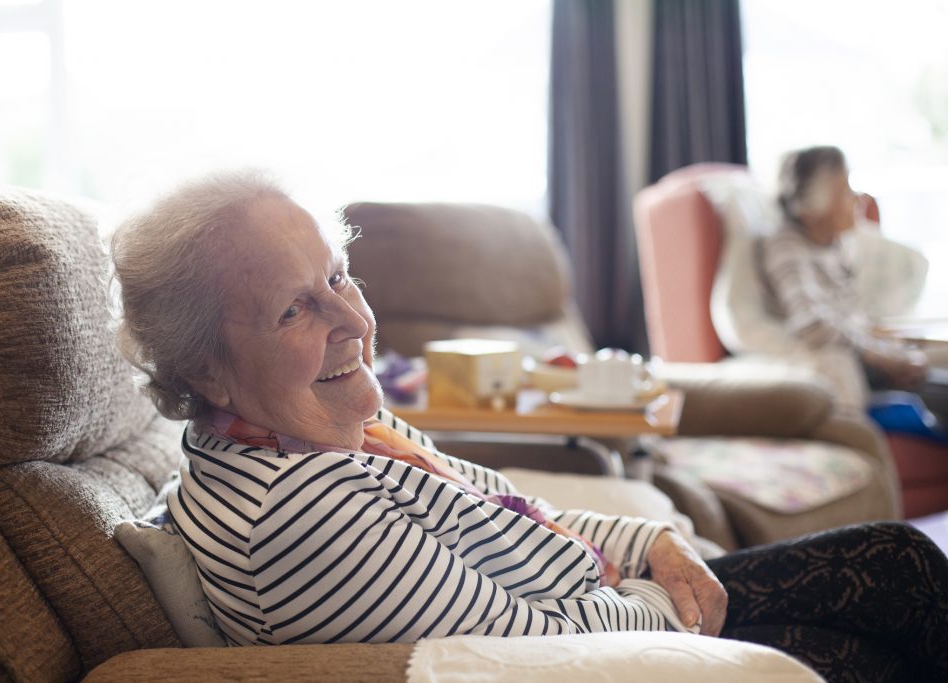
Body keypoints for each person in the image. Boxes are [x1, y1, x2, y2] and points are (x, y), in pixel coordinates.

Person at [111, 169, 948, 682]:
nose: (353, 321)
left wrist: (645, 541)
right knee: (884, 608)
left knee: (896, 560)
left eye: (339, 276)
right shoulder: (294, 515)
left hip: (606, 606)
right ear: (206, 367)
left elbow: (505, 504)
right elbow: (529, 650)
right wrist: (658, 597)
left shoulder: (316, 429)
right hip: (604, 655)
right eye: (296, 307)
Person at [761, 145, 946, 426]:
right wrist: (882, 358)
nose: (857, 199)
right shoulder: (786, 248)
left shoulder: (834, 245)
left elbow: (854, 322)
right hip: (853, 375)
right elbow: (812, 324)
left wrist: (895, 355)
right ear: (815, 204)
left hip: (870, 364)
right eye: (845, 190)